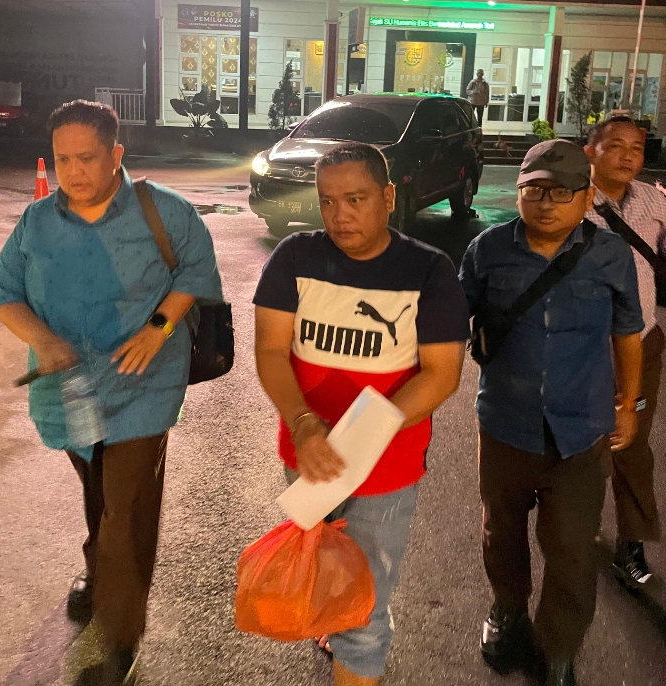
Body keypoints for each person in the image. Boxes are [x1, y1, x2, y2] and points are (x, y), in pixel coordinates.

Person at [0, 100, 222, 686]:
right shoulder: (37, 221)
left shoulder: (163, 210)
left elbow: (196, 271)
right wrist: (43, 340)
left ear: (116, 154)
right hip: (67, 387)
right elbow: (2, 291)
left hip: (143, 385)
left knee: (129, 506)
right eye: (62, 159)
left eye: (87, 158)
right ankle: (99, 570)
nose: (74, 172)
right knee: (98, 487)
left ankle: (120, 641)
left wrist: (158, 327)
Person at [253, 142, 470, 686]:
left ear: (388, 196)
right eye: (327, 201)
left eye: (355, 199)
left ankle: (354, 642)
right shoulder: (296, 257)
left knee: (364, 608)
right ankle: (337, 625)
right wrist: (305, 425)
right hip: (308, 454)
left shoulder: (428, 269)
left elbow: (442, 374)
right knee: (326, 570)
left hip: (386, 466)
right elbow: (271, 350)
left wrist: (360, 437)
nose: (339, 215)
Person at [459, 140, 643, 686]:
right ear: (519, 192)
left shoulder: (610, 256)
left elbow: (627, 332)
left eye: (561, 193)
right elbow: (446, 322)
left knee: (572, 548)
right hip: (504, 425)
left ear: (586, 197)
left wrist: (629, 404)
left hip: (581, 432)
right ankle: (508, 610)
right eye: (534, 190)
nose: (546, 203)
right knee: (501, 533)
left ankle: (558, 647)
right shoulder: (487, 250)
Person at [585, 115, 666, 585]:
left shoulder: (654, 200)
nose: (628, 156)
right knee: (584, 441)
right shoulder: (570, 199)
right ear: (591, 150)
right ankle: (578, 521)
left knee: (631, 439)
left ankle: (631, 540)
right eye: (615, 145)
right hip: (584, 345)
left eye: (636, 147)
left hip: (643, 341)